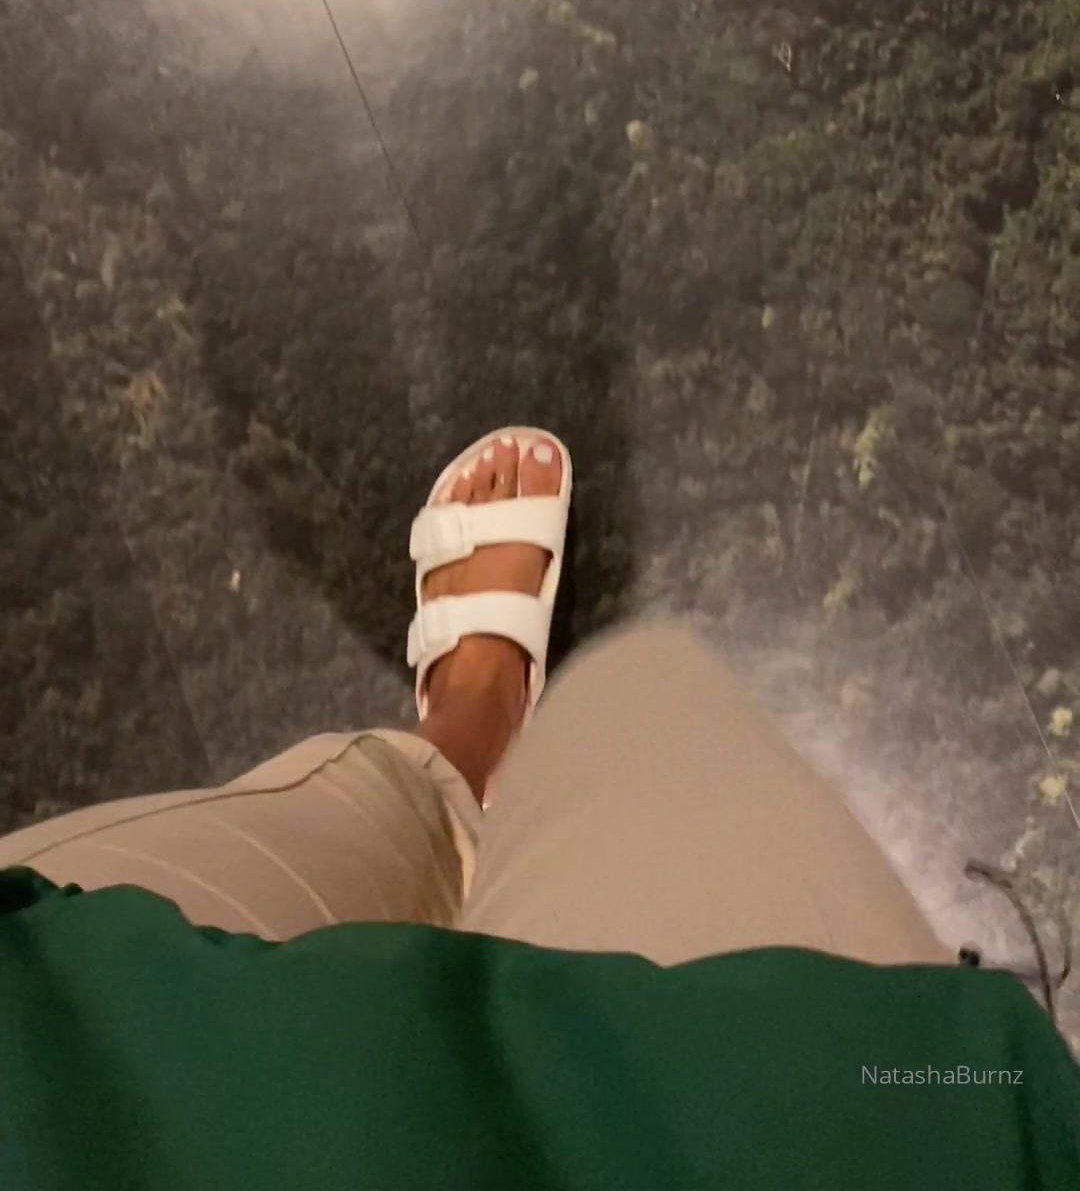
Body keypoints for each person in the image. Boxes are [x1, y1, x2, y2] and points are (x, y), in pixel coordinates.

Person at [0, 428, 1077, 1189]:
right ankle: (472, 744)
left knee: (370, 804)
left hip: (59, 1046)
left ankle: (463, 745)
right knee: (644, 700)